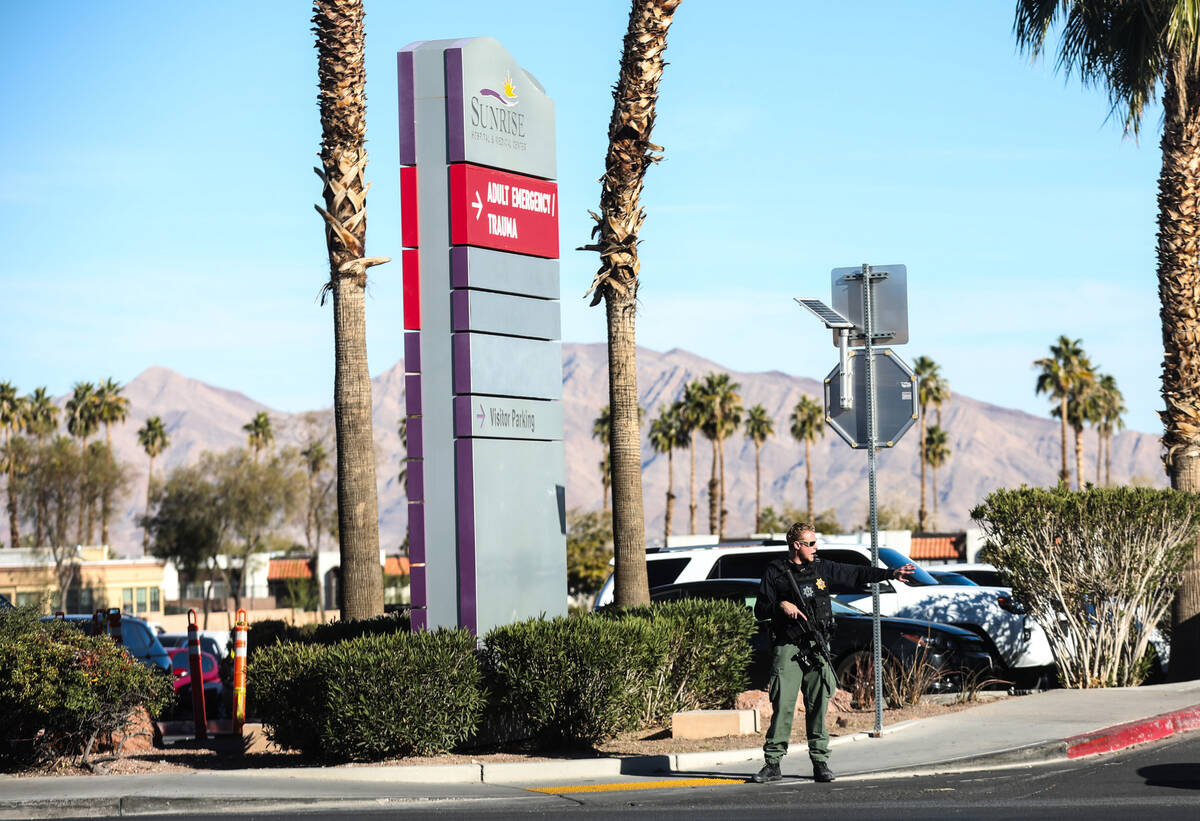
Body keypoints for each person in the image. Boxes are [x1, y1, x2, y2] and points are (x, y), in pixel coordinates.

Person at [751, 521, 914, 784]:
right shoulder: (776, 571)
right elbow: (760, 609)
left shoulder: (822, 568)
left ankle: (820, 762)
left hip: (817, 646)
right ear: (797, 545)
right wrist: (780, 604)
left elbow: (857, 573)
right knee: (783, 706)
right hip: (788, 645)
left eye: (816, 542)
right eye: (811, 543)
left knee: (818, 705)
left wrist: (890, 574)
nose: (816, 548)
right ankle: (772, 764)